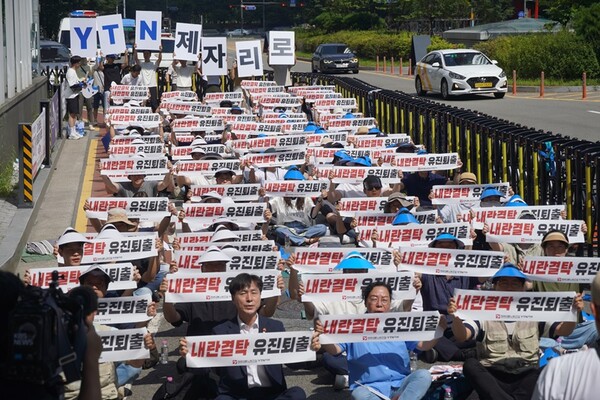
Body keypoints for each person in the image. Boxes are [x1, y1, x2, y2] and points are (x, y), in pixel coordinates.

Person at [447, 264, 583, 400]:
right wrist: (455, 318)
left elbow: (563, 331)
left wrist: (573, 312)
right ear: (494, 287)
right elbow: (462, 336)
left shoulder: (535, 311)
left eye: (515, 283)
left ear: (523, 288)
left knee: (555, 368)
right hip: (493, 376)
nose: (509, 287)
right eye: (504, 283)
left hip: (526, 376)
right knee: (470, 365)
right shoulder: (482, 312)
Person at [312, 281, 436, 400]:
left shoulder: (399, 324)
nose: (379, 304)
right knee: (359, 394)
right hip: (370, 389)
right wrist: (323, 336)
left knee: (423, 375)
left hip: (400, 385)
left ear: (390, 303)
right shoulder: (353, 325)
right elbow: (335, 350)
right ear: (365, 302)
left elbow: (423, 345)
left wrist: (439, 331)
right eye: (374, 299)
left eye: (384, 300)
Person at [210, 273, 306, 400]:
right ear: (233, 299)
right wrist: (190, 354)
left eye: (254, 292)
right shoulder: (220, 332)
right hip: (238, 395)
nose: (249, 298)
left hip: (272, 395)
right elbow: (210, 367)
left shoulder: (275, 327)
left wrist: (310, 348)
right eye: (243, 293)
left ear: (260, 296)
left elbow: (292, 362)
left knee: (297, 393)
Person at [532, 272, 600, 400]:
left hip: (572, 329)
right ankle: (564, 348)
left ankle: (565, 348)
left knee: (592, 327)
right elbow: (525, 285)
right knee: (546, 340)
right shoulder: (536, 273)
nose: (556, 251)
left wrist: (576, 308)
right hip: (548, 331)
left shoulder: (576, 273)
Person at [415, 233, 481, 363]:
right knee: (426, 332)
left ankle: (439, 352)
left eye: (449, 246)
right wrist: (401, 263)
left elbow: (485, 275)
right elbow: (413, 273)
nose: (445, 249)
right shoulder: (426, 272)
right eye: (441, 245)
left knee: (474, 328)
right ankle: (458, 354)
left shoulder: (466, 271)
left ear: (457, 249)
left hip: (460, 322)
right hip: (437, 324)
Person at [134, 44, 162, 111]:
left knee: (154, 103)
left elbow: (159, 59)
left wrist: (160, 51)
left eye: (147, 54)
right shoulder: (141, 64)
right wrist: (135, 49)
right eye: (144, 54)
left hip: (152, 85)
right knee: (143, 103)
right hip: (143, 86)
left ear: (150, 55)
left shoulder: (153, 64)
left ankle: (156, 115)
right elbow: (136, 59)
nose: (146, 55)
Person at [64, 55, 84, 140]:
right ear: (75, 63)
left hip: (74, 95)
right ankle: (71, 133)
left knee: (74, 114)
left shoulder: (73, 71)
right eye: (79, 63)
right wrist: (81, 85)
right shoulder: (70, 72)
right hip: (71, 96)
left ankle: (74, 131)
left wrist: (81, 81)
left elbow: (76, 81)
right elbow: (72, 85)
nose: (80, 64)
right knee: (72, 114)